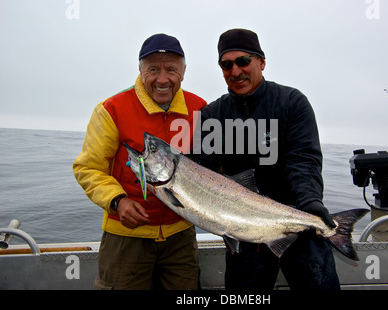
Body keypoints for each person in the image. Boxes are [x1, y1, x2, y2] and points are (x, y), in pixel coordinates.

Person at [191, 29, 340, 290]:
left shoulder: (292, 103)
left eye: (243, 61)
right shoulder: (212, 114)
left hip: (300, 225)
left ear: (261, 62)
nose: (235, 71)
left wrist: (310, 201)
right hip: (244, 233)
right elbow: (202, 170)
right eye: (226, 65)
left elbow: (303, 160)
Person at [73, 33, 207, 290]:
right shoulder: (112, 109)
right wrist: (117, 201)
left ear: (184, 71)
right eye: (153, 69)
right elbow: (88, 168)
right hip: (126, 237)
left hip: (181, 234)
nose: (162, 78)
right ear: (140, 69)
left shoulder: (200, 109)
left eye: (171, 69)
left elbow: (214, 169)